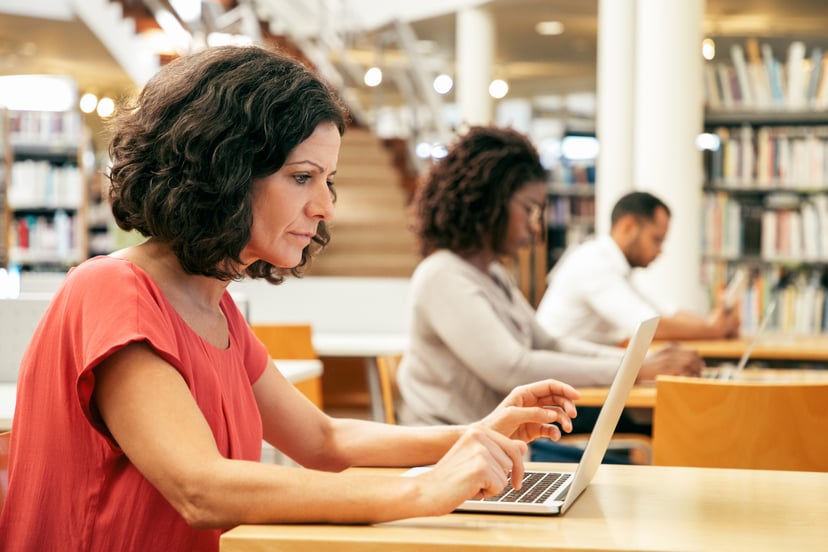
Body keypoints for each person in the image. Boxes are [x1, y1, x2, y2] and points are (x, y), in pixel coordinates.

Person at [0, 46, 584, 551]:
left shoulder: (214, 306)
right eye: (302, 177)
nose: (325, 206)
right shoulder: (112, 291)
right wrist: (419, 489)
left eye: (327, 181)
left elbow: (324, 441)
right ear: (223, 172)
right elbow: (200, 488)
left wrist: (477, 433)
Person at [394, 126, 703, 461]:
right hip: (454, 458)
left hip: (495, 449)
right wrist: (636, 369)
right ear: (491, 201)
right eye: (529, 209)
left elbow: (549, 344)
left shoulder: (492, 274)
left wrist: (638, 362)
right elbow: (513, 368)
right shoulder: (442, 275)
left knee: (623, 473)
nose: (535, 226)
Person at [536, 191, 741, 346]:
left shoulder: (615, 266)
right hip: (556, 385)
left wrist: (711, 323)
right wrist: (713, 329)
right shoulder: (593, 264)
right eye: (656, 240)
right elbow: (648, 326)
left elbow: (666, 312)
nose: (660, 251)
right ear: (628, 227)